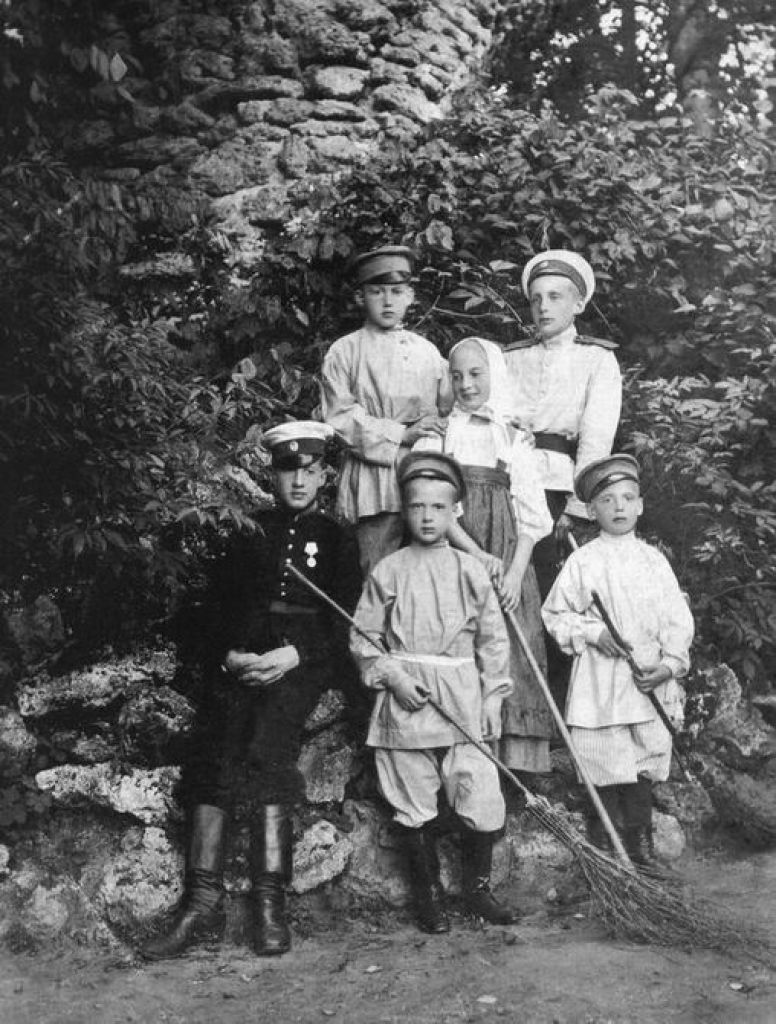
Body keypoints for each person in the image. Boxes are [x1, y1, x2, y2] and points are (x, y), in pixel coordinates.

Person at [140, 421, 361, 961]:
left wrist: (297, 654)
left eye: (310, 471)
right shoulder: (248, 531)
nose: (299, 481)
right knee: (213, 744)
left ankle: (269, 902)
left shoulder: (338, 538)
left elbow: (345, 620)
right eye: (288, 470)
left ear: (325, 476)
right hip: (244, 656)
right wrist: (229, 655)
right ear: (272, 475)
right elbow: (216, 607)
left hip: (301, 663)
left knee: (268, 748)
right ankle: (200, 903)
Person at [350, 451, 516, 934]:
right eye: (417, 506)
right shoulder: (389, 570)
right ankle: (428, 898)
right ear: (404, 509)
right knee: (412, 795)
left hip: (462, 696)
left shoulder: (470, 570)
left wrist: (493, 696)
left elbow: (493, 640)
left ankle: (477, 892)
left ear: (455, 511)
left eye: (439, 507)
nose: (427, 517)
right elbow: (363, 637)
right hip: (407, 699)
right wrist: (393, 676)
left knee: (479, 790)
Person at [541, 454, 694, 866]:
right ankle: (605, 850)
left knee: (643, 758)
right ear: (591, 511)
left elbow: (677, 619)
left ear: (640, 505)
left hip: (646, 675)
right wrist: (594, 633)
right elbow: (554, 615)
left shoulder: (653, 561)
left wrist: (669, 665)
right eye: (607, 501)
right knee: (603, 758)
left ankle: (640, 848)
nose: (619, 507)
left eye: (627, 498)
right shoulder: (582, 561)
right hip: (600, 677)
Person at [415, 337, 555, 774]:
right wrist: (474, 553)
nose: (466, 385)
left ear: (495, 373)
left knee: (514, 643)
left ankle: (517, 765)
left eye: (476, 374)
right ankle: (466, 758)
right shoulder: (439, 436)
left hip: (508, 558)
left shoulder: (512, 436)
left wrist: (513, 574)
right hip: (455, 554)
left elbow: (533, 516)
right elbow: (433, 505)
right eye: (457, 376)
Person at [503, 249, 622, 704]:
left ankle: (559, 702)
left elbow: (596, 437)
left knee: (559, 594)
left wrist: (576, 504)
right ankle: (518, 703)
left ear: (578, 303)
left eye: (555, 297)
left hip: (560, 490)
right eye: (536, 299)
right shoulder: (512, 358)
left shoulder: (596, 360)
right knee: (513, 589)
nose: (544, 307)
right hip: (512, 485)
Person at [321, 245, 452, 575]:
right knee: (378, 569)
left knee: (428, 567)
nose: (388, 301)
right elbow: (340, 417)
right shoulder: (345, 351)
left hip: (423, 469)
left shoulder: (428, 352)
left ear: (410, 296)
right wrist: (400, 434)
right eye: (377, 292)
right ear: (360, 297)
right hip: (373, 477)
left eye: (396, 291)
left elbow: (450, 408)